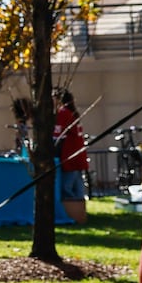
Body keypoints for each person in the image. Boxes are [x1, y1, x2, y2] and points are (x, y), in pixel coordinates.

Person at [53, 89, 89, 225]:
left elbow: (56, 136)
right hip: (78, 156)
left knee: (66, 189)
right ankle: (81, 215)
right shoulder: (73, 113)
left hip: (69, 157)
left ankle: (72, 215)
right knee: (77, 188)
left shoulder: (63, 113)